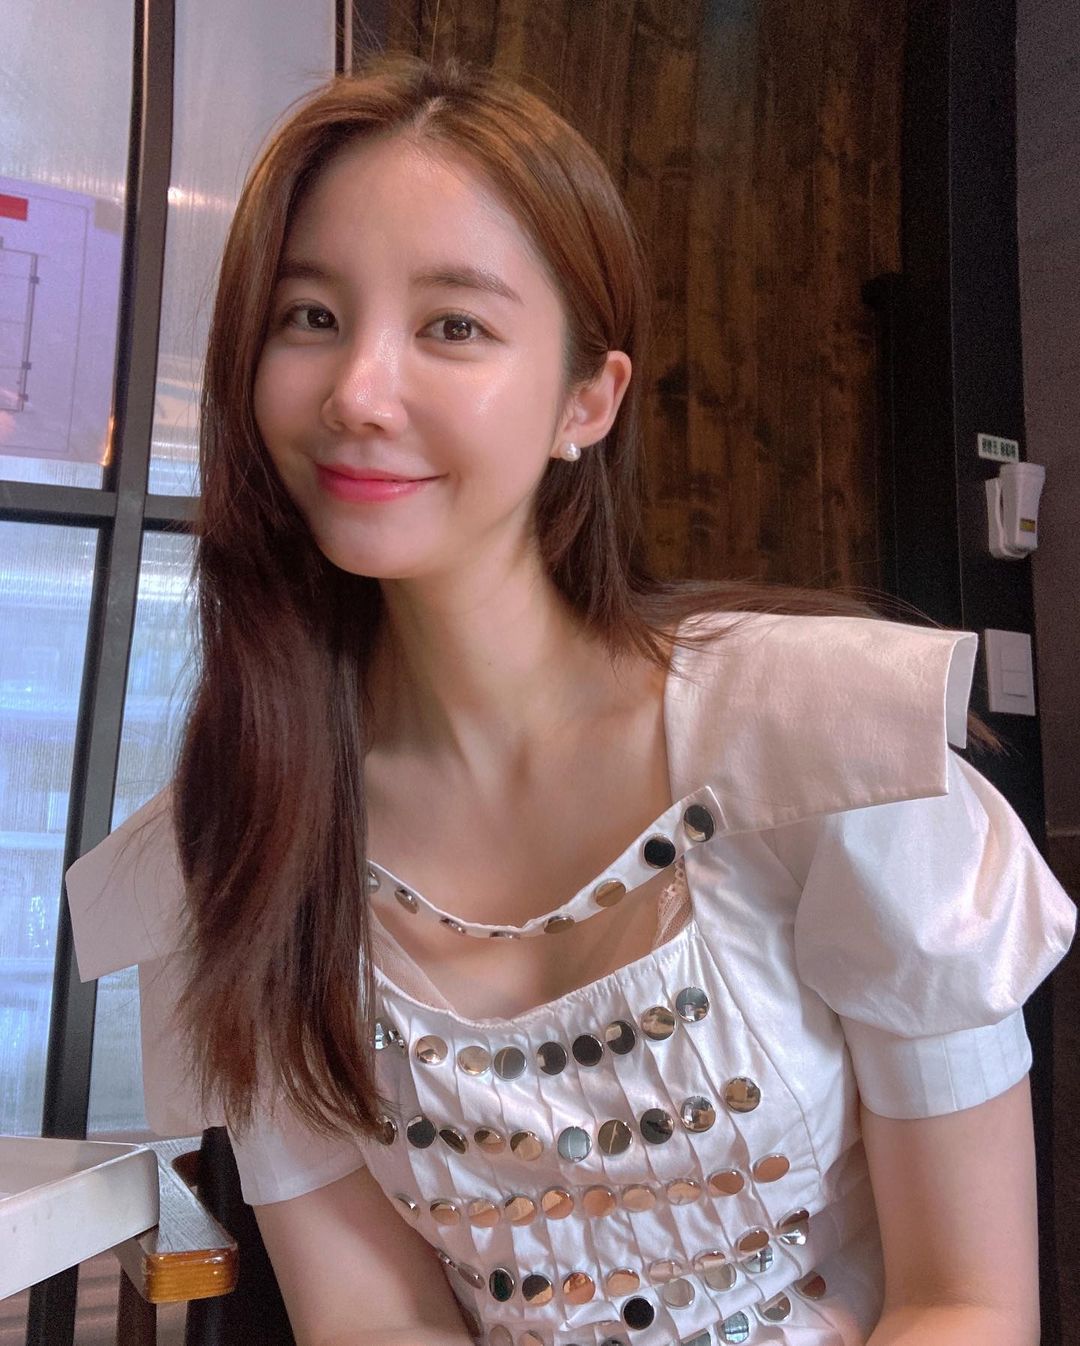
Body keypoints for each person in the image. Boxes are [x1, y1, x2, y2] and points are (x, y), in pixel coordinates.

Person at [66, 52, 1075, 1346]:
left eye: (453, 325)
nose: (357, 393)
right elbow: (374, 1323)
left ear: (586, 400)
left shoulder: (819, 749)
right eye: (308, 316)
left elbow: (969, 1301)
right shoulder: (234, 854)